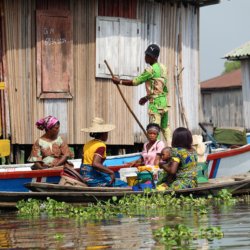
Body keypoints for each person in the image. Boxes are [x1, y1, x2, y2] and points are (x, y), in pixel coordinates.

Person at [111, 44, 171, 145]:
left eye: (148, 56)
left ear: (154, 57)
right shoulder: (163, 68)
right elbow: (160, 88)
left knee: (154, 129)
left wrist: (119, 81)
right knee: (165, 127)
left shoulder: (150, 70)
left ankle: (156, 151)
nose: (146, 57)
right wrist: (146, 97)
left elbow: (136, 82)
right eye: (146, 54)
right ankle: (170, 147)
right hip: (164, 102)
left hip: (156, 104)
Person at [80, 117, 127, 187]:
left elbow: (83, 162)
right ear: (104, 133)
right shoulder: (101, 146)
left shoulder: (87, 144)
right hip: (92, 177)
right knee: (122, 184)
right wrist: (111, 172)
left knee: (110, 178)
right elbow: (95, 164)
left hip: (84, 176)